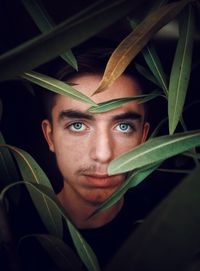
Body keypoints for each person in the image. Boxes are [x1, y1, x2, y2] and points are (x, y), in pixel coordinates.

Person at [38, 47, 155, 268]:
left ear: (143, 138)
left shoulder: (167, 235)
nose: (103, 155)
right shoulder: (13, 232)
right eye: (78, 125)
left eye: (123, 127)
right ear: (50, 136)